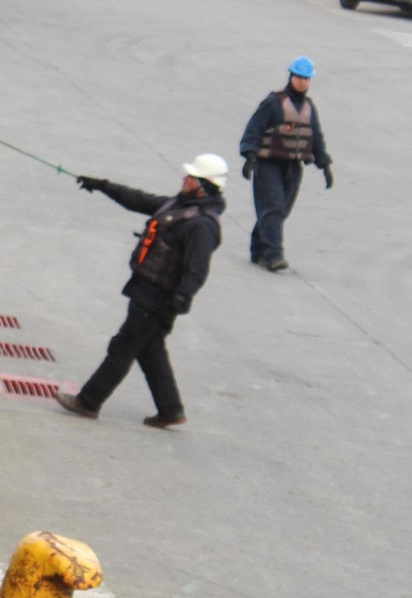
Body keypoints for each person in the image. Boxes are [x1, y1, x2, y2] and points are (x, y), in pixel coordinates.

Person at [56, 154, 227, 429]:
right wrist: (103, 186)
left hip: (159, 297)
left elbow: (196, 269)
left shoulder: (201, 225)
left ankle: (88, 402)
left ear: (202, 186)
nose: (184, 178)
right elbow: (138, 199)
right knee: (150, 349)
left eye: (191, 177)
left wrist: (182, 297)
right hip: (147, 289)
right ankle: (170, 410)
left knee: (124, 345)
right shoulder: (179, 205)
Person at [239, 55, 333, 272]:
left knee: (279, 211)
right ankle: (274, 256)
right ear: (291, 76)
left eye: (306, 78)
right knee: (273, 208)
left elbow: (316, 138)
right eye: (298, 77)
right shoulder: (274, 103)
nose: (302, 82)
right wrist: (250, 157)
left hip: (293, 167)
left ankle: (258, 251)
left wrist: (325, 165)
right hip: (268, 164)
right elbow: (253, 130)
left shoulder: (309, 108)